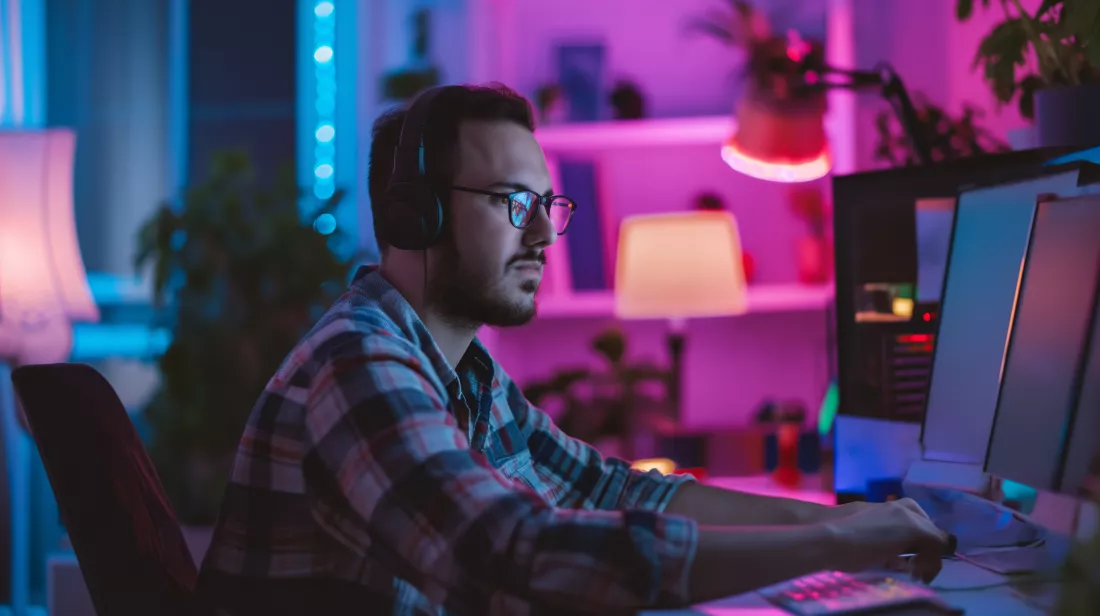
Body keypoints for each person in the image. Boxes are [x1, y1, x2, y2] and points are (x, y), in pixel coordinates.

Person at [195, 84, 950, 615]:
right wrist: (831, 544)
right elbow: (504, 550)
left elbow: (615, 491)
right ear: (414, 216)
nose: (543, 236)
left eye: (548, 205)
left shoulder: (467, 376)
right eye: (513, 203)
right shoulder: (356, 365)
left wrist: (845, 531)